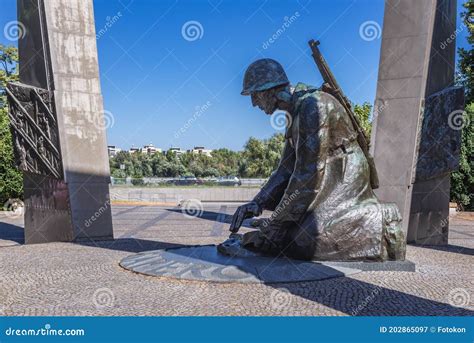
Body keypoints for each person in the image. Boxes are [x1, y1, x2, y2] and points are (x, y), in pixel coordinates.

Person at [222, 58, 405, 261]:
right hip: (327, 171)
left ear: (269, 90)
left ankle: (382, 220)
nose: (253, 103)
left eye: (255, 95)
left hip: (345, 172)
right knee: (294, 232)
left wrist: (275, 226)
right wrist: (257, 203)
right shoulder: (294, 112)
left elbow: (307, 174)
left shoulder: (313, 105)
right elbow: (286, 168)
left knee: (307, 239)